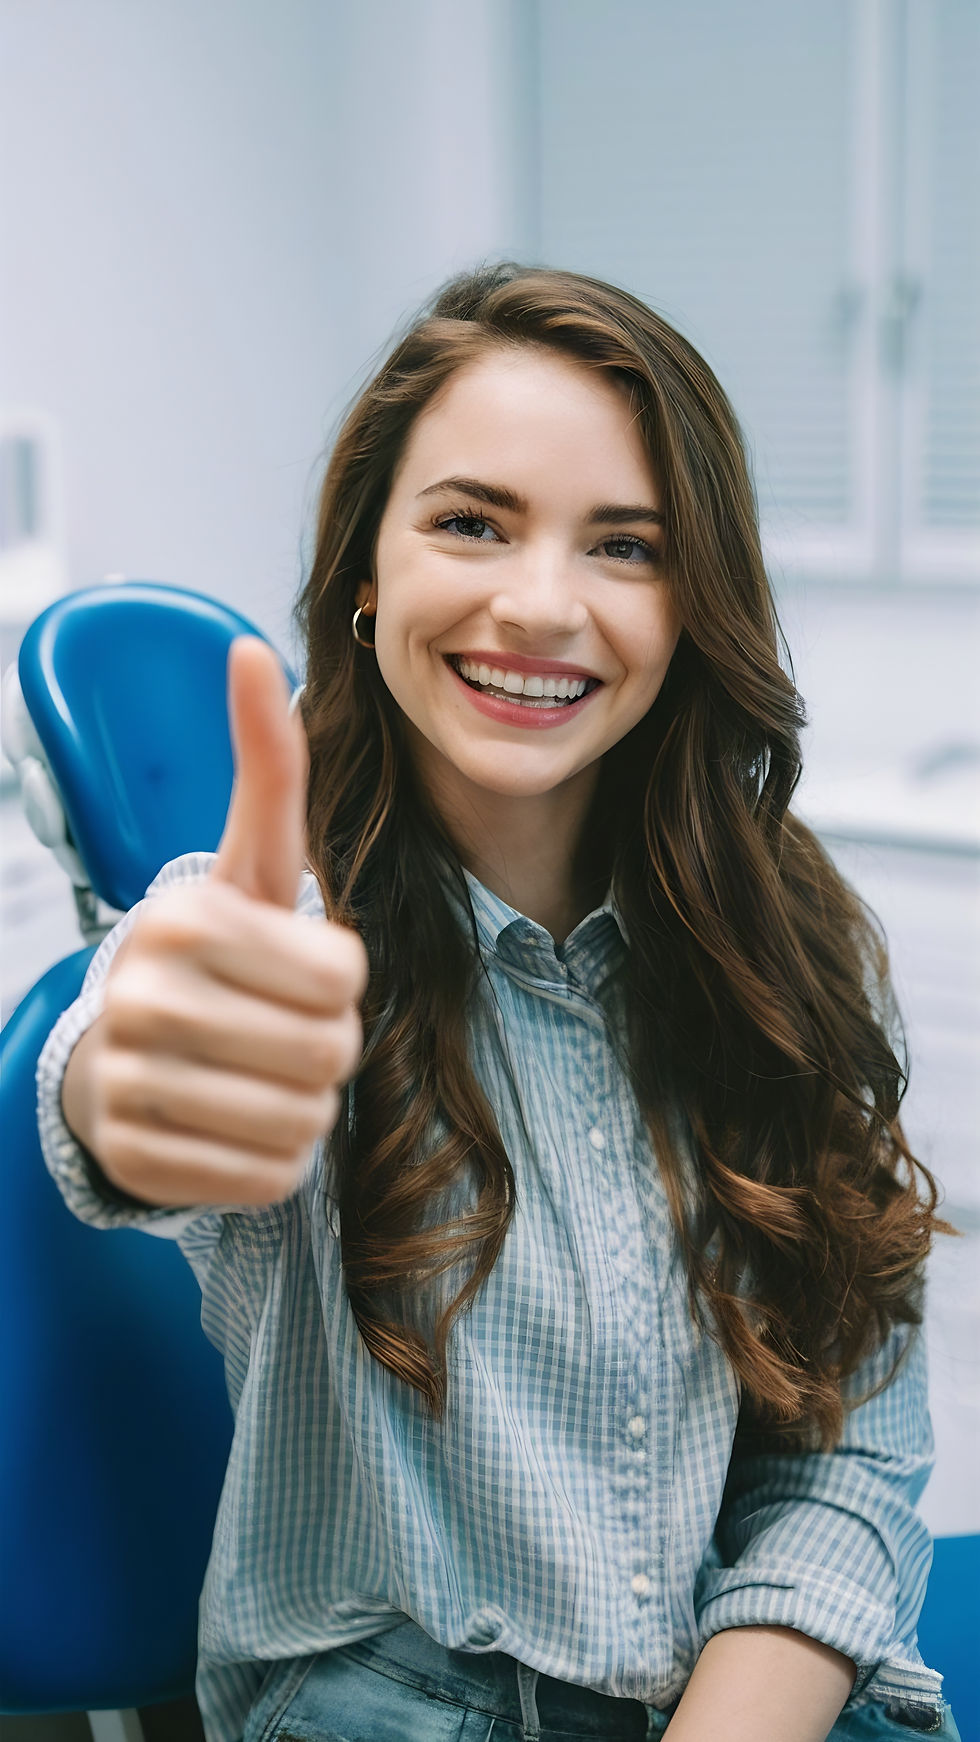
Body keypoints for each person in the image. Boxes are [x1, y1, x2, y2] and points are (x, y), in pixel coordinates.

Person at [38, 265, 958, 1742]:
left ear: (692, 603)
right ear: (367, 569)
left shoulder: (788, 949)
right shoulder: (276, 931)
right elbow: (133, 1060)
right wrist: (138, 1089)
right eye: (470, 522)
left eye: (626, 545)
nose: (539, 605)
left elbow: (848, 1460)